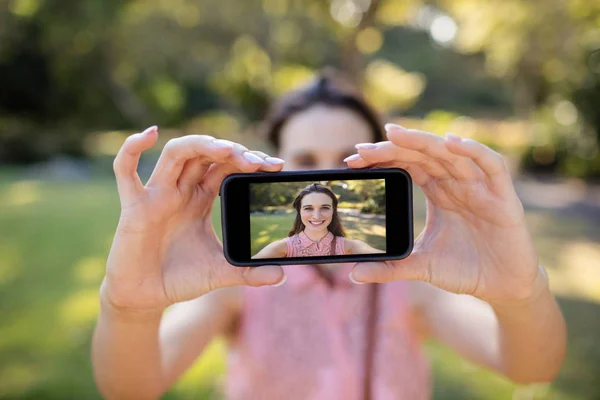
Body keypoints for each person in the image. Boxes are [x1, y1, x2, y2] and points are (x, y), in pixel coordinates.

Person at [92, 70, 566, 400]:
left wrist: (521, 293)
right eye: (302, 160)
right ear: (271, 165)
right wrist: (128, 309)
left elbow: (532, 369)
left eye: (347, 158)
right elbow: (133, 389)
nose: (324, 175)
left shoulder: (410, 281)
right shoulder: (238, 287)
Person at [252, 183, 384, 259]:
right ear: (299, 211)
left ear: (333, 210)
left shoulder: (347, 246)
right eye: (308, 208)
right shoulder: (284, 247)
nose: (316, 216)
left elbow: (384, 257)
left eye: (325, 208)